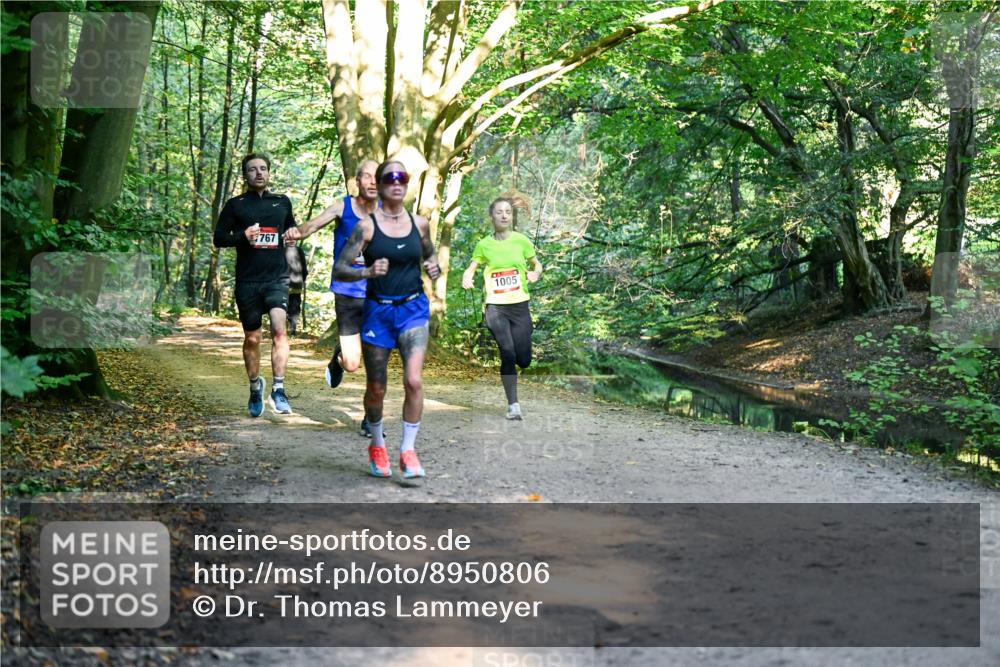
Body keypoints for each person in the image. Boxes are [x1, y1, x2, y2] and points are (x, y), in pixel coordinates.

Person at [332, 159, 441, 479]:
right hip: (377, 311)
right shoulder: (366, 227)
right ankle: (377, 444)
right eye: (389, 178)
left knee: (413, 380)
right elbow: (341, 268)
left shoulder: (420, 224)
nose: (396, 182)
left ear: (406, 185)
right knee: (377, 388)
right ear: (379, 185)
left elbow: (430, 255)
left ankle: (407, 451)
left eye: (402, 178)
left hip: (413, 310)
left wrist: (433, 267)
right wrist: (367, 271)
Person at [285, 160, 379, 435]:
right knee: (352, 364)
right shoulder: (343, 207)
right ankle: (339, 358)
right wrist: (293, 233)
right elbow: (310, 227)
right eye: (368, 177)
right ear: (357, 181)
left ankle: (371, 419)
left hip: (378, 293)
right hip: (348, 292)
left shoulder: (390, 212)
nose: (373, 182)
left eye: (378, 177)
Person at [213, 153, 296, 417]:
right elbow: (218, 238)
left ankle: (279, 389)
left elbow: (291, 231)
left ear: (269, 173)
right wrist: (243, 236)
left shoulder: (282, 202)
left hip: (277, 278)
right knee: (252, 338)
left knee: (279, 331)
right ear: (245, 176)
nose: (258, 173)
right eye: (252, 170)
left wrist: (293, 237)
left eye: (263, 169)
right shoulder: (236, 205)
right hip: (248, 281)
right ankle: (254, 386)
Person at [461, 197, 542, 420]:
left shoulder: (521, 241)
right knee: (507, 352)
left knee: (523, 359)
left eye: (508, 211)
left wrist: (536, 273)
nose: (504, 215)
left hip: (519, 305)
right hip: (496, 307)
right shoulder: (484, 245)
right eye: (499, 212)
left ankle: (518, 366)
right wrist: (467, 277)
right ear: (492, 216)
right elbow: (472, 268)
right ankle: (513, 404)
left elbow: (537, 264)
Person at [285, 243, 308, 336]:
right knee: (294, 306)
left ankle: (282, 328)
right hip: (296, 282)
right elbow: (304, 268)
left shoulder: (279, 250)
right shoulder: (299, 250)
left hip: (282, 282)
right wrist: (303, 279)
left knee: (280, 305)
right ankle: (293, 330)